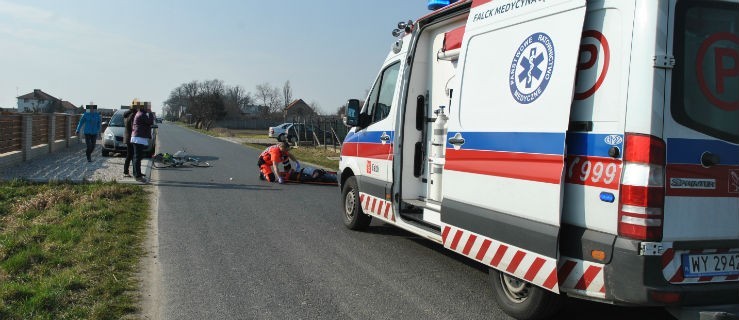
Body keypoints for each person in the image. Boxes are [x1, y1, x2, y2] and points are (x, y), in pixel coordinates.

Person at [131, 104, 154, 182]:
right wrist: (150, 113)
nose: (148, 108)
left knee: (136, 157)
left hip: (137, 137)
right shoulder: (142, 114)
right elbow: (150, 121)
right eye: (147, 107)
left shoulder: (139, 113)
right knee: (137, 157)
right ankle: (138, 176)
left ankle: (137, 173)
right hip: (138, 138)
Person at [122, 104, 138, 177]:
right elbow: (133, 127)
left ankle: (128, 171)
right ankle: (131, 172)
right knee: (132, 155)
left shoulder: (126, 115)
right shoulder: (133, 115)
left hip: (128, 137)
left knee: (130, 155)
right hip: (132, 137)